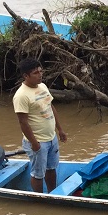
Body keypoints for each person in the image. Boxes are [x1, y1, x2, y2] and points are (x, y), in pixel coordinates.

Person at [13, 58, 67, 193]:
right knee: (38, 173)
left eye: (41, 71)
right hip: (38, 141)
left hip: (51, 137)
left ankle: (52, 194)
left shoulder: (42, 86)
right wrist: (34, 143)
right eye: (36, 73)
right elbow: (23, 122)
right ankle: (39, 199)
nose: (40, 75)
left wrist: (60, 130)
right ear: (26, 76)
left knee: (51, 168)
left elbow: (50, 107)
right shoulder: (21, 96)